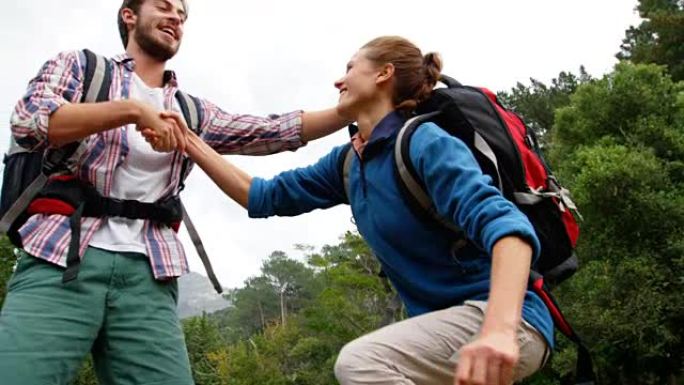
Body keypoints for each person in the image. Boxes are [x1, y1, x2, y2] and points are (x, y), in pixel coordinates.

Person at [171, 36, 554, 385]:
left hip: (506, 320)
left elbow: (510, 231)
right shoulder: (350, 163)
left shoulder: (425, 142)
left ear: (384, 74)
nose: (339, 81)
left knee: (361, 363)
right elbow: (263, 196)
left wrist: (499, 330)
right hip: (449, 333)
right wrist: (189, 140)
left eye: (350, 68)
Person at [0, 0, 347, 384]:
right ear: (129, 15)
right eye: (164, 7)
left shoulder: (191, 112)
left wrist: (347, 112)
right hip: (59, 256)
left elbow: (271, 131)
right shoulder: (83, 68)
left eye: (182, 16)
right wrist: (132, 111)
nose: (175, 19)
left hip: (149, 273)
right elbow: (29, 121)